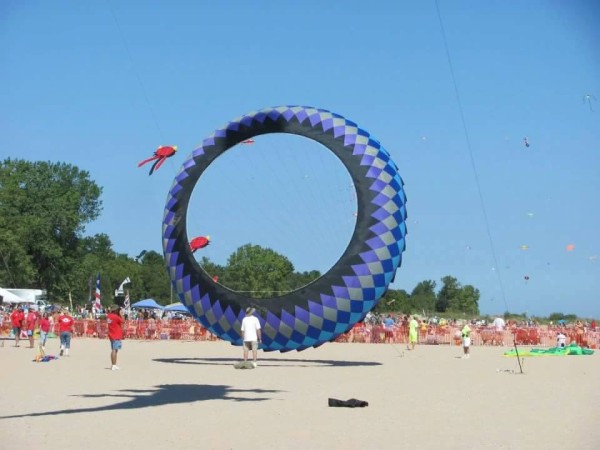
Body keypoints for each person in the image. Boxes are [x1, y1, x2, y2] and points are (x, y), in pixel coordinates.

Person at [107, 305, 125, 370]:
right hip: (116, 334)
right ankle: (113, 365)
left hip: (111, 334)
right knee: (114, 350)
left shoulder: (109, 316)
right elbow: (123, 321)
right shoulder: (115, 317)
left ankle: (114, 364)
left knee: (114, 349)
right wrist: (121, 314)